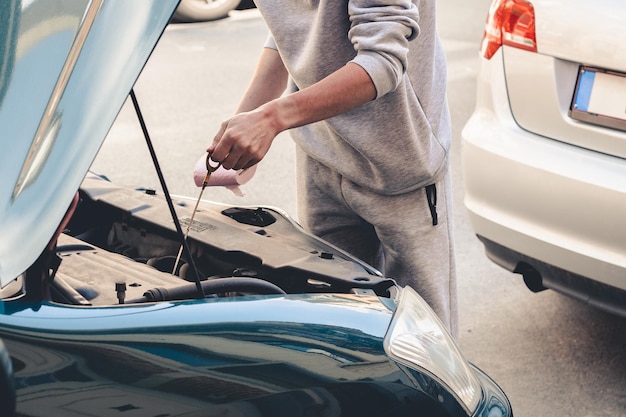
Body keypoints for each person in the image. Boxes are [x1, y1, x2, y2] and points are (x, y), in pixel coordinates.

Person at [208, 0, 457, 336]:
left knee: (424, 335)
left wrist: (271, 118)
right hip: (320, 156)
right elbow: (291, 29)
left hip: (400, 163)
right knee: (337, 326)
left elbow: (383, 60)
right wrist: (244, 125)